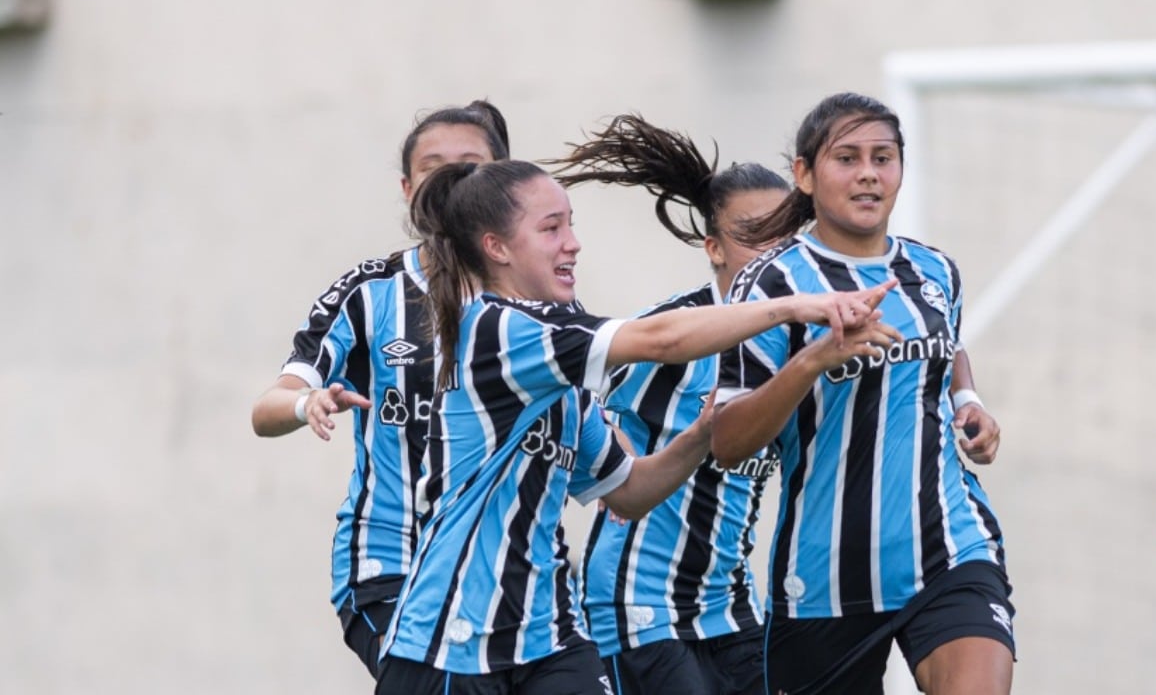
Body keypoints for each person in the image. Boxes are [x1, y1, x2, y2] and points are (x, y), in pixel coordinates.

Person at [375, 159, 900, 695]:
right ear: (498, 247)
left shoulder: (564, 368)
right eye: (552, 228)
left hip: (547, 639)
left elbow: (628, 492)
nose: (574, 243)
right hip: (450, 643)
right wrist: (791, 303)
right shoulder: (498, 330)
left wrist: (699, 435)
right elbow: (662, 340)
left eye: (572, 224)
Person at [711, 92, 1014, 695]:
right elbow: (727, 441)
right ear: (804, 174)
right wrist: (814, 361)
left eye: (883, 157)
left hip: (948, 546)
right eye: (847, 158)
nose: (869, 173)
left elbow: (945, 344)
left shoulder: (935, 272)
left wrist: (967, 402)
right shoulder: (772, 284)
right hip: (824, 577)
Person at [249, 100, 510, 677]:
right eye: (433, 164)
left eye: (470, 162)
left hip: (507, 575)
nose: (451, 177)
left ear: (503, 178)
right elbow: (265, 409)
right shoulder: (371, 292)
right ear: (406, 186)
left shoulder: (537, 299)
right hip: (390, 565)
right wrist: (305, 401)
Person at [549, 114, 790, 694]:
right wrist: (610, 448)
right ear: (713, 247)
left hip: (730, 604)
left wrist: (964, 397)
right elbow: (567, 384)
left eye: (787, 232)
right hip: (640, 603)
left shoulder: (800, 337)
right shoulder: (675, 333)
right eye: (753, 234)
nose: (774, 250)